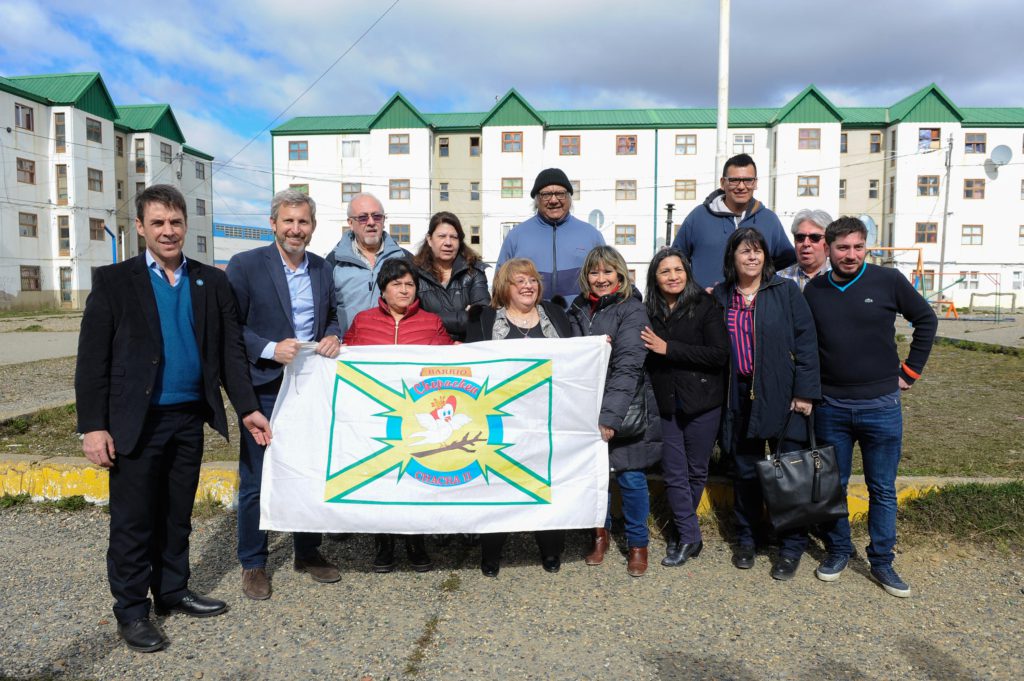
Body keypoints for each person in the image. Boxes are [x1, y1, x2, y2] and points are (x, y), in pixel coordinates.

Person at [75, 184, 272, 653]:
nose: (168, 231)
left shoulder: (210, 280)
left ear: (186, 226)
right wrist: (93, 426)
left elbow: (228, 352)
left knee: (177, 513)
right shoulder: (114, 281)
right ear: (140, 227)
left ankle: (172, 590)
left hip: (188, 417)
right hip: (135, 422)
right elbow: (91, 361)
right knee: (133, 520)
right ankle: (132, 610)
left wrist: (247, 408)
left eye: (176, 222)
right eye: (158, 222)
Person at [804, 216, 937, 597]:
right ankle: (839, 550)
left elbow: (926, 320)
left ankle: (882, 561)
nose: (850, 255)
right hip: (831, 406)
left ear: (867, 248)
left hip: (881, 405)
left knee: (882, 488)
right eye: (842, 248)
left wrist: (910, 372)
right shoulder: (815, 291)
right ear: (828, 249)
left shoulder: (888, 281)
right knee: (835, 486)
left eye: (858, 247)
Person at [226, 189, 343, 602]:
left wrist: (332, 335)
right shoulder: (244, 266)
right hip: (265, 387)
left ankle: (307, 551)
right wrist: (268, 348)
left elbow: (332, 316)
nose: (296, 229)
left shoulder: (321, 269)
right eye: (288, 221)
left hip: (311, 386)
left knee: (309, 470)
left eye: (304, 222)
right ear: (273, 223)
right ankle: (253, 562)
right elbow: (230, 326)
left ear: (313, 227)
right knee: (258, 478)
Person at [712, 227, 820, 581]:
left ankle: (790, 547)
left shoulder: (785, 292)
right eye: (745, 251)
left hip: (782, 391)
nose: (753, 257)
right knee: (745, 471)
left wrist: (804, 392)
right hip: (738, 395)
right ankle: (748, 538)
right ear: (733, 257)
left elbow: (806, 342)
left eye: (758, 251)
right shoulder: (722, 295)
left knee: (790, 470)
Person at [464, 258, 573, 577]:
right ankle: (492, 552)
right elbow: (472, 366)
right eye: (520, 281)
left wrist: (597, 348)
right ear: (504, 288)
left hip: (549, 418)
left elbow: (576, 355)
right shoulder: (483, 319)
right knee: (497, 485)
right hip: (500, 420)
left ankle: (551, 550)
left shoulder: (555, 314)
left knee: (546, 484)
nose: (528, 286)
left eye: (533, 280)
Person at [343, 258, 452, 572]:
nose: (404, 290)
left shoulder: (431, 322)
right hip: (374, 417)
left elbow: (448, 364)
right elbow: (346, 364)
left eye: (410, 284)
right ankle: (384, 543)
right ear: (384, 289)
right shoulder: (362, 321)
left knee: (415, 480)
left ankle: (417, 542)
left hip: (417, 418)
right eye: (397, 284)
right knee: (382, 480)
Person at [568, 246, 660, 577]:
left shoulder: (631, 309)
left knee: (630, 477)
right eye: (595, 272)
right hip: (585, 406)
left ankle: (638, 545)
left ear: (620, 275)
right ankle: (600, 536)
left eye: (608, 272)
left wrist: (611, 417)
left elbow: (629, 366)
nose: (601, 278)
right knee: (595, 480)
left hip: (625, 406)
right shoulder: (577, 308)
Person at [640, 248, 729, 567]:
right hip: (666, 403)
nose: (673, 276)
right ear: (655, 277)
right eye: (665, 271)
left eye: (678, 270)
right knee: (675, 472)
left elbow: (719, 355)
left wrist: (669, 349)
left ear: (687, 273)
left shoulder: (705, 306)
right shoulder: (648, 310)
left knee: (695, 471)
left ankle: (684, 530)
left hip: (703, 402)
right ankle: (689, 536)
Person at [672, 153, 795, 290]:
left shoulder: (769, 220)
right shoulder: (698, 217)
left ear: (755, 183)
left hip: (754, 307)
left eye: (748, 180)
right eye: (734, 180)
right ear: (723, 183)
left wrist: (764, 285)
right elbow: (675, 261)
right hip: (705, 307)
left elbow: (788, 261)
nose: (741, 186)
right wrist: (694, 293)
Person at [496, 167, 605, 306]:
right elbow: (500, 283)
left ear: (569, 197)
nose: (553, 200)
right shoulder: (516, 236)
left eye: (560, 193)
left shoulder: (591, 235)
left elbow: (607, 279)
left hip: (579, 321)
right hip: (530, 321)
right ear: (536, 199)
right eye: (546, 194)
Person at [326, 192, 411, 336]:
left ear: (384, 220)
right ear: (350, 223)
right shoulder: (334, 262)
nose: (371, 222)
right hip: (349, 349)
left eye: (377, 216)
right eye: (363, 218)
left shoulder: (405, 259)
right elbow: (326, 311)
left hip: (394, 347)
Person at [412, 211, 490, 341]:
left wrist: (428, 318)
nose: (448, 243)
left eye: (454, 237)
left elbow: (482, 317)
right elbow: (411, 321)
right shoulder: (415, 273)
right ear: (429, 240)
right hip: (429, 347)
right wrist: (464, 316)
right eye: (442, 236)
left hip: (467, 348)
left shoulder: (474, 271)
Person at [778, 209, 833, 291]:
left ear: (828, 241)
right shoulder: (779, 280)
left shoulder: (840, 277)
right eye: (800, 237)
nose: (806, 243)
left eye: (815, 237)